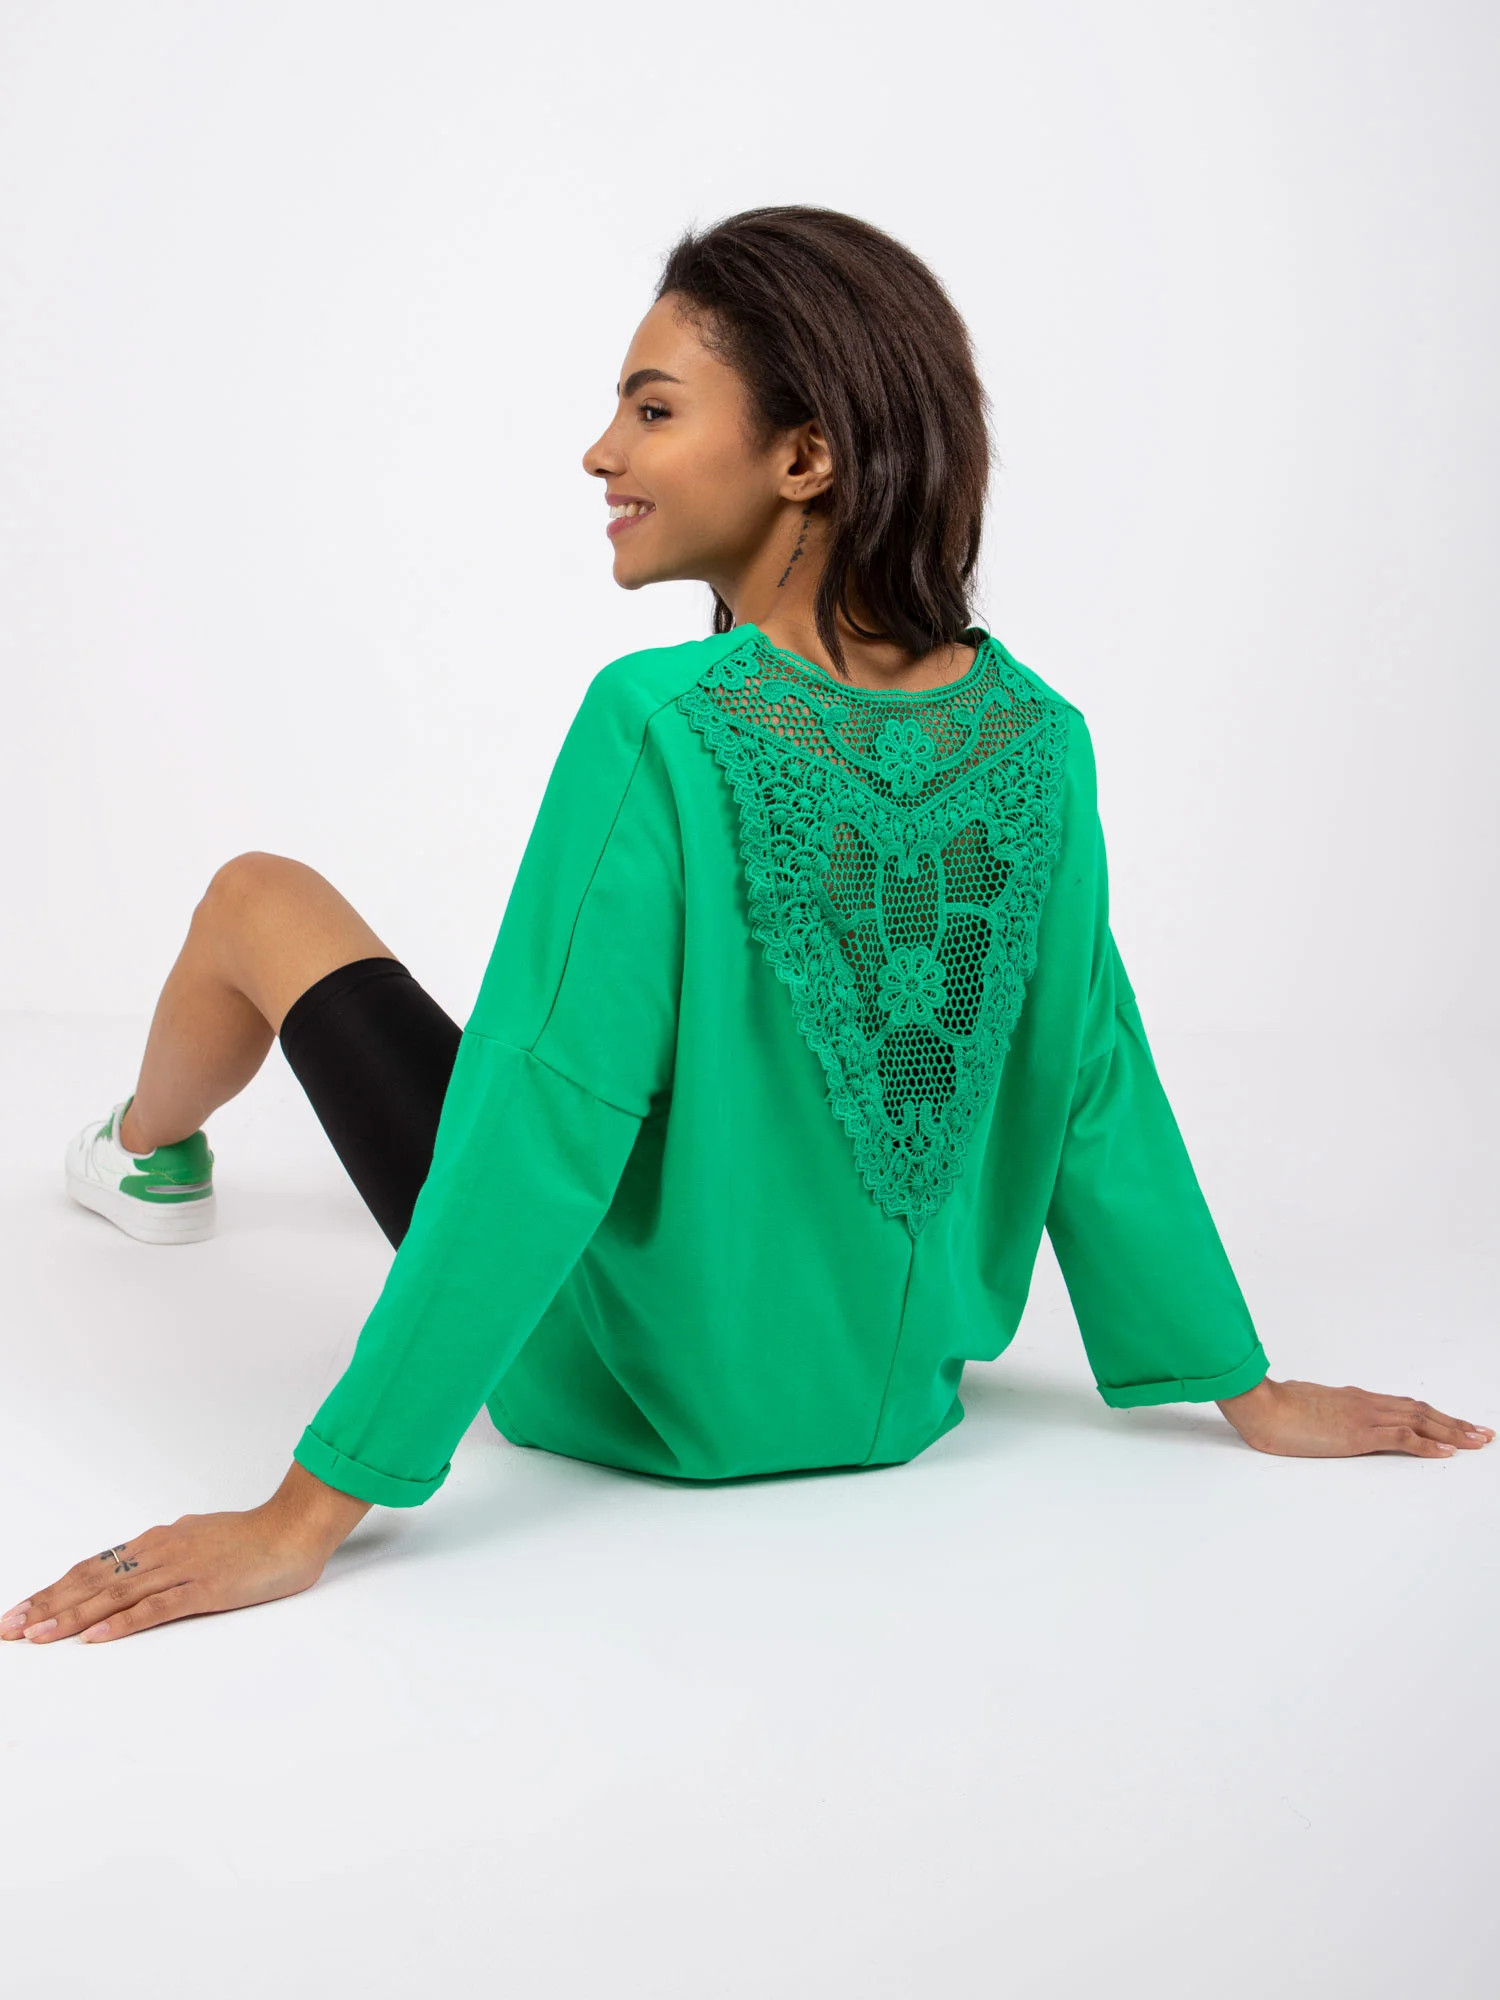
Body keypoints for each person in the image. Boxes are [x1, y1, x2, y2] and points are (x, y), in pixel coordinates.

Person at [8, 206, 1490, 1651]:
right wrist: (1241, 1386)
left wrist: (307, 1512)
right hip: (898, 1401)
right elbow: (1093, 1083)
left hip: (627, 1385)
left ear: (804, 457)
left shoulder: (658, 722)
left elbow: (543, 1121)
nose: (602, 452)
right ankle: (150, 1150)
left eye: (653, 410)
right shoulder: (1043, 737)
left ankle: (145, 1150)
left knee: (258, 896)